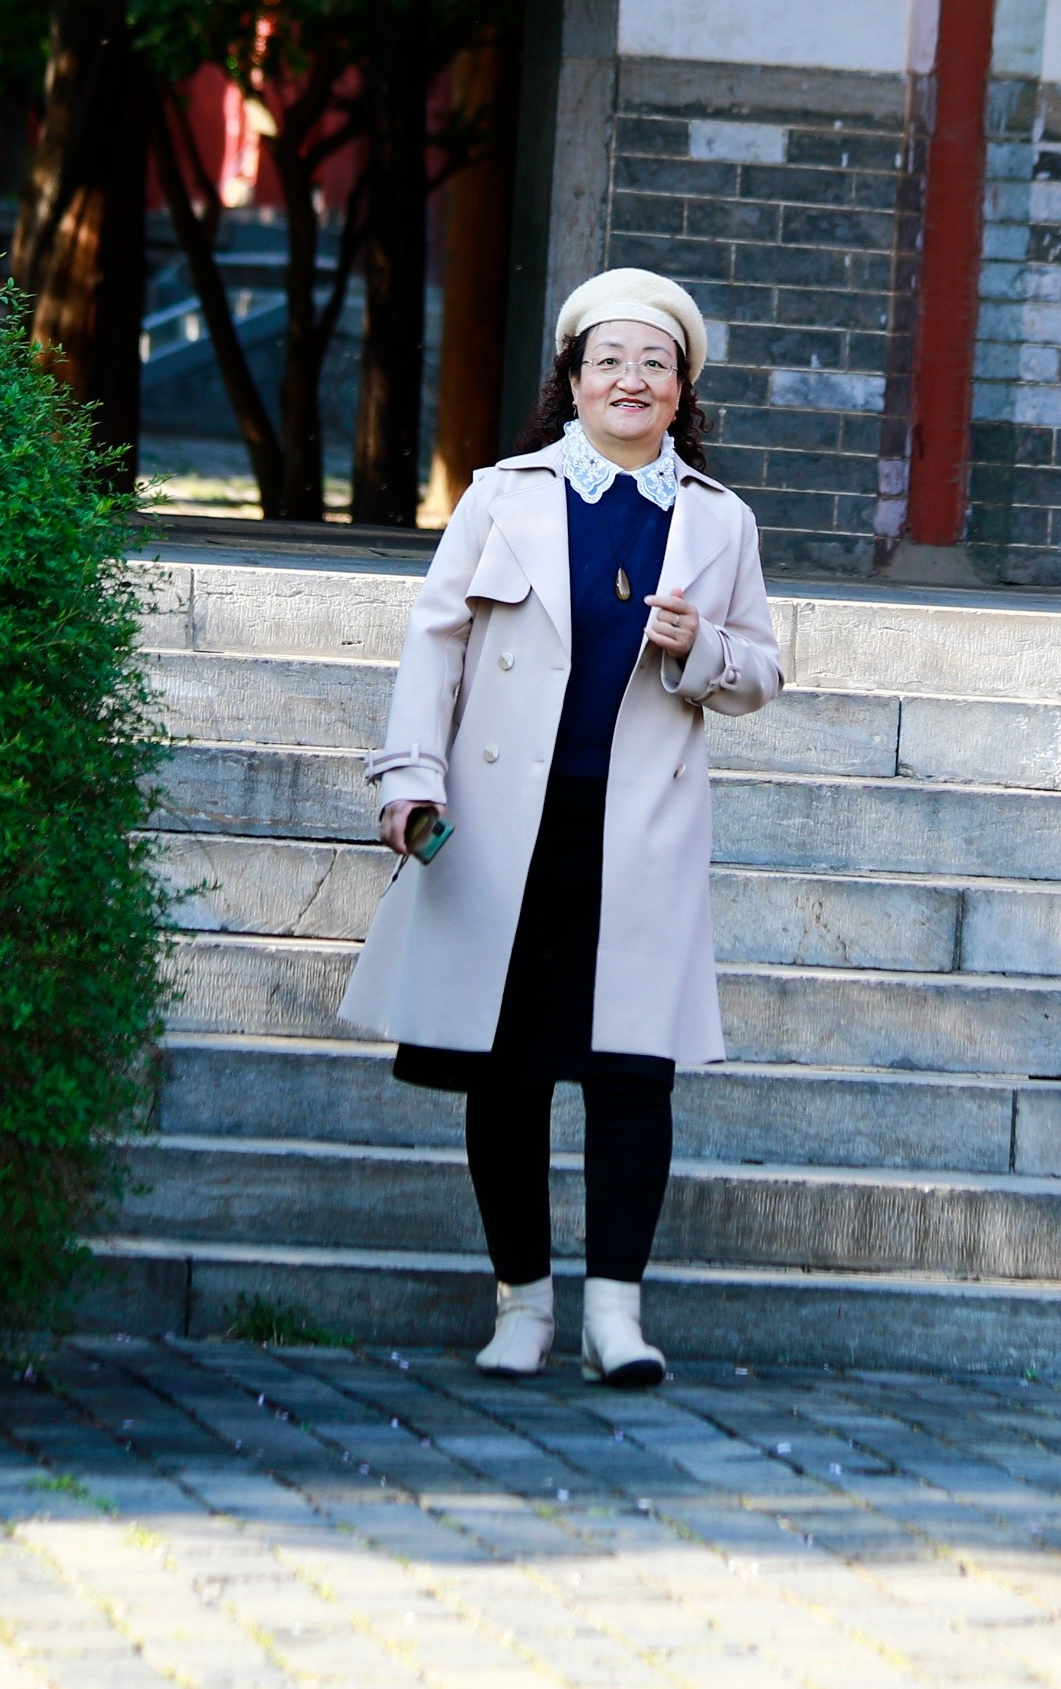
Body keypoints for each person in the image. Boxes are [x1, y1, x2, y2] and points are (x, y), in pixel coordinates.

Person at [339, 267, 782, 1387]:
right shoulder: (502, 496)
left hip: (638, 830)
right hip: (506, 821)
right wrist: (409, 775)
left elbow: (761, 671)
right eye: (608, 362)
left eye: (654, 364)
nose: (629, 381)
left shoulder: (718, 522)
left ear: (682, 390)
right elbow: (432, 643)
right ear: (571, 382)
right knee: (507, 1068)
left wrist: (700, 651)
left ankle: (616, 1318)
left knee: (636, 1069)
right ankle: (522, 1305)